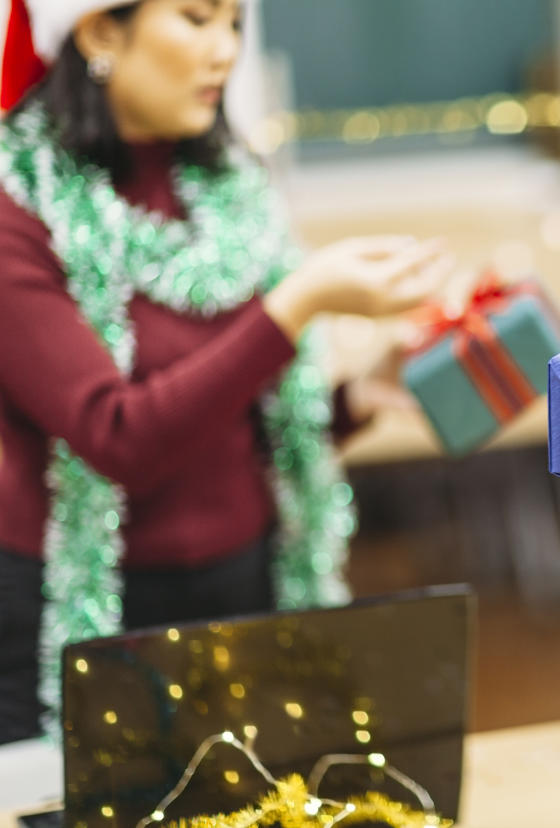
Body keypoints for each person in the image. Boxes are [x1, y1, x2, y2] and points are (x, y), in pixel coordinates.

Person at [0, 0, 452, 743]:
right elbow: (119, 438)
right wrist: (294, 305)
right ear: (101, 30)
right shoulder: (19, 199)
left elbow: (245, 420)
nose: (226, 49)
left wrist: (356, 397)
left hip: (246, 590)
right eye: (197, 18)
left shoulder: (229, 184)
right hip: (84, 617)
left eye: (235, 24)